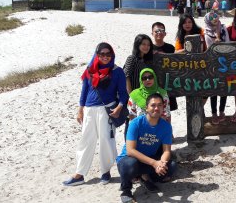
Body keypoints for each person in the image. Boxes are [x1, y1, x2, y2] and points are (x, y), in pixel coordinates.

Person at [63, 42, 128, 186]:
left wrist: (119, 108)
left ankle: (105, 171)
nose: (105, 57)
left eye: (108, 54)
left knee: (106, 140)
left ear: (112, 55)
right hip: (89, 110)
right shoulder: (90, 70)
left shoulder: (117, 71)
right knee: (86, 141)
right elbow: (84, 91)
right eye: (102, 54)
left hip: (107, 110)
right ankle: (79, 174)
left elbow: (124, 94)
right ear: (97, 55)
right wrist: (80, 110)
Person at [117, 93, 176, 202]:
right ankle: (126, 189)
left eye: (159, 105)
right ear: (146, 108)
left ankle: (145, 177)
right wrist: (154, 163)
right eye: (153, 105)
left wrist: (161, 164)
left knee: (171, 166)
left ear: (163, 107)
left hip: (147, 160)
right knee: (130, 164)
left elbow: (167, 150)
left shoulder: (166, 126)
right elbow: (130, 151)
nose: (156, 108)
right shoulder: (136, 123)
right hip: (128, 160)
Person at [123, 34, 154, 137]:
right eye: (143, 44)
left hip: (144, 96)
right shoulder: (132, 58)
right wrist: (131, 95)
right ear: (137, 45)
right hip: (132, 96)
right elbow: (126, 76)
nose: (146, 47)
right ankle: (128, 148)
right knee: (131, 122)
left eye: (148, 45)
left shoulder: (147, 60)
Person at [204, 11, 230, 124]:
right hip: (212, 64)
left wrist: (221, 42)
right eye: (212, 18)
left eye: (216, 17)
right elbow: (210, 49)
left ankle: (222, 111)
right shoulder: (206, 32)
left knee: (224, 88)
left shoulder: (223, 28)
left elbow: (228, 43)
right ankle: (214, 112)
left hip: (225, 62)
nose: (214, 20)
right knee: (213, 89)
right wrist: (217, 41)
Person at [151, 22, 177, 112]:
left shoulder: (170, 48)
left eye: (162, 30)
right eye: (156, 31)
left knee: (167, 113)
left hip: (167, 85)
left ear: (165, 33)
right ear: (152, 33)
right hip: (152, 84)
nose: (159, 32)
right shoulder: (148, 48)